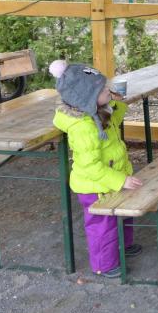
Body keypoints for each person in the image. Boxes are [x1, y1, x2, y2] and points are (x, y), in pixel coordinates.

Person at [49, 59, 144, 278]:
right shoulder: (84, 128)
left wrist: (118, 104)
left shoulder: (97, 111)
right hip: (95, 186)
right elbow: (90, 166)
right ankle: (104, 264)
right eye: (102, 90)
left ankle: (124, 246)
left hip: (112, 176)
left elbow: (114, 121)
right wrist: (120, 180)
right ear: (87, 97)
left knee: (123, 214)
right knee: (103, 227)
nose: (107, 90)